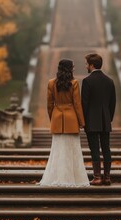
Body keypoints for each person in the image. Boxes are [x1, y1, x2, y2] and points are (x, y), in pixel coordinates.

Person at [39, 59, 90, 187]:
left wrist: (53, 118)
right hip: (71, 119)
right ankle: (73, 178)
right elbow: (77, 104)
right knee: (72, 151)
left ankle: (56, 177)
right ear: (69, 69)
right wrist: (82, 122)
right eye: (72, 67)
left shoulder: (51, 83)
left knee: (57, 151)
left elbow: (49, 105)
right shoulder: (74, 83)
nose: (74, 68)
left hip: (57, 117)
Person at [81, 53, 116, 186]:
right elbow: (113, 103)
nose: (85, 66)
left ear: (91, 65)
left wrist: (82, 121)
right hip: (105, 120)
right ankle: (107, 177)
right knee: (106, 148)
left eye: (86, 64)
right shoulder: (110, 81)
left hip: (91, 121)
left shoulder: (87, 81)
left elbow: (84, 103)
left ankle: (97, 177)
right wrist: (109, 118)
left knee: (94, 149)